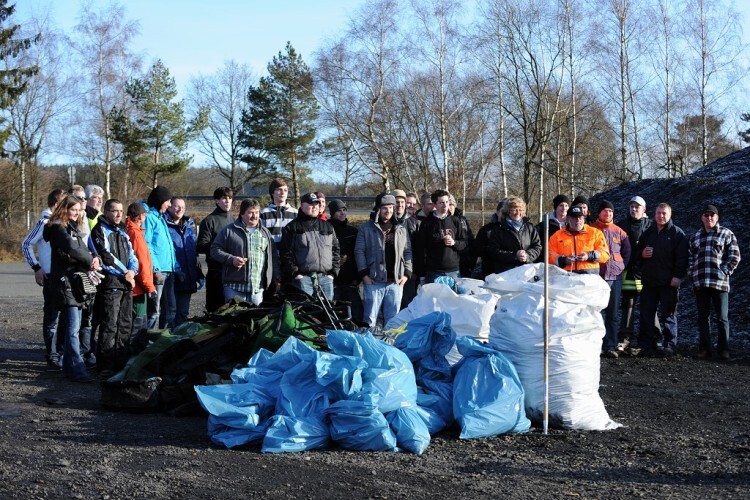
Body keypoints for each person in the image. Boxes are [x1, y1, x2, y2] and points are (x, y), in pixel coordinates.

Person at [43, 195, 101, 383]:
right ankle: (77, 370)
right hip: (64, 284)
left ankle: (70, 368)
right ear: (64, 209)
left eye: (78, 210)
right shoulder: (59, 229)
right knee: (72, 329)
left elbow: (81, 248)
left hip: (73, 284)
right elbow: (72, 248)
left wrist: (93, 257)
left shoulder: (71, 228)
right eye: (73, 209)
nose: (77, 213)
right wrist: (88, 259)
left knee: (72, 328)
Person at [632, 203, 688, 357]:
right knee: (646, 314)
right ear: (654, 214)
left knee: (669, 315)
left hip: (668, 283)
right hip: (649, 281)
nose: (661, 216)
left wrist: (677, 276)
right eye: (658, 213)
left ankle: (669, 345)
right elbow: (637, 253)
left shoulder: (677, 234)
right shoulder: (648, 232)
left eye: (664, 213)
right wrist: (642, 254)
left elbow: (682, 258)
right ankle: (645, 344)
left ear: (670, 215)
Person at [90, 199, 138, 376]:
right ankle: (106, 366)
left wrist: (132, 271)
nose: (118, 214)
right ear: (106, 212)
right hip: (111, 284)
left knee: (125, 324)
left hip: (127, 284)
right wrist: (126, 272)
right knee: (110, 325)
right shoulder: (99, 230)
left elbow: (133, 255)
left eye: (120, 211)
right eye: (114, 211)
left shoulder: (123, 231)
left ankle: (121, 363)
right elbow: (106, 257)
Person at [688, 204, 741, 360]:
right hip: (701, 283)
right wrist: (692, 273)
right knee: (702, 317)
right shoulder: (695, 236)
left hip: (720, 283)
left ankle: (724, 349)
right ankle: (705, 349)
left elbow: (735, 256)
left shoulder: (726, 234)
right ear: (702, 217)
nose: (709, 217)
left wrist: (724, 271)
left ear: (717, 217)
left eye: (712, 215)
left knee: (722, 317)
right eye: (706, 215)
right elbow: (690, 258)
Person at [21, 188, 65, 370]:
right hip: (50, 276)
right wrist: (36, 267)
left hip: (64, 276)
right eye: (64, 203)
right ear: (56, 204)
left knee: (67, 316)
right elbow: (26, 244)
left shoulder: (62, 223)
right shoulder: (44, 222)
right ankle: (52, 354)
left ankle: (62, 352)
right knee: (52, 317)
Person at [355, 194, 412, 327]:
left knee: (393, 321)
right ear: (378, 209)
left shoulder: (401, 229)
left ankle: (389, 346)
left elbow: (407, 251)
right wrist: (364, 275)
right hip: (374, 280)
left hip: (395, 283)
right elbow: (359, 251)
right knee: (370, 320)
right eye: (385, 208)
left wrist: (406, 273)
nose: (389, 211)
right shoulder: (366, 228)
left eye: (391, 208)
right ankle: (369, 346)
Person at [211, 198, 276, 306]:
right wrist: (231, 259)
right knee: (234, 320)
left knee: (254, 321)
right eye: (250, 212)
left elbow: (273, 257)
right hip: (234, 288)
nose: (254, 216)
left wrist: (274, 278)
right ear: (241, 214)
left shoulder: (265, 233)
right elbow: (214, 250)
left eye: (256, 212)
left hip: (257, 289)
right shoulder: (229, 231)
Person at [279, 192, 340, 300]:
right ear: (302, 206)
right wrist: (296, 274)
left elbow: (335, 249)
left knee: (327, 314)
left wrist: (333, 273)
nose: (315, 206)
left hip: (326, 279)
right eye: (311, 204)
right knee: (305, 313)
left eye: (316, 204)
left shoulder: (327, 226)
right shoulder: (292, 227)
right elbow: (286, 253)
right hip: (303, 280)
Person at [616, 195, 656, 352]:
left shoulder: (651, 226)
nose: (634, 209)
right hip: (628, 272)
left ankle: (653, 338)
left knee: (650, 306)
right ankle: (625, 338)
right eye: (632, 206)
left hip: (647, 273)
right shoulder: (622, 225)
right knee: (629, 305)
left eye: (637, 207)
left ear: (644, 209)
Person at [592, 200, 631, 358]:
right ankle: (596, 345)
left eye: (610, 211)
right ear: (599, 213)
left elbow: (627, 252)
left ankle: (611, 345)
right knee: (596, 312)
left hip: (615, 277)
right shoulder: (592, 230)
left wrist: (621, 267)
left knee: (613, 313)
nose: (607, 214)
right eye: (605, 211)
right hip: (597, 277)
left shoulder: (619, 232)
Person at [413, 189, 467, 285]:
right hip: (433, 271)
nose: (445, 205)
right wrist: (422, 275)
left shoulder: (455, 221)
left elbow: (464, 243)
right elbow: (420, 251)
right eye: (441, 203)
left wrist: (454, 242)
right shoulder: (426, 224)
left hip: (454, 271)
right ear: (434, 205)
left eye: (447, 202)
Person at [141, 186, 176, 329]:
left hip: (168, 270)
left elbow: (166, 245)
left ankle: (162, 340)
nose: (169, 205)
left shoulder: (160, 217)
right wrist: (155, 268)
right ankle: (144, 341)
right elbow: (147, 244)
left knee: (170, 309)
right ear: (160, 200)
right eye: (167, 201)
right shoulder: (149, 217)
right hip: (158, 271)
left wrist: (176, 266)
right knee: (154, 311)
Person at [165, 197, 203, 326]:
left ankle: (179, 341)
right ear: (169, 207)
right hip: (171, 278)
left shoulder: (189, 227)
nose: (180, 209)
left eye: (183, 207)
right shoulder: (164, 225)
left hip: (188, 277)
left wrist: (198, 273)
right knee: (170, 313)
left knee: (183, 313)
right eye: (177, 206)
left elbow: (194, 253)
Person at [482, 196, 542, 275]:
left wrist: (527, 255)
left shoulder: (529, 227)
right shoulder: (498, 229)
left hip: (526, 272)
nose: (517, 212)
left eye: (520, 210)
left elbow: (537, 246)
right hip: (505, 273)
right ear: (508, 211)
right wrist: (515, 255)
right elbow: (494, 251)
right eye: (514, 209)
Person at [197, 187, 234, 313]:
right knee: (215, 311)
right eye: (224, 198)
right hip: (215, 274)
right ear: (217, 201)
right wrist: (220, 245)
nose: (227, 201)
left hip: (232, 273)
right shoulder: (209, 221)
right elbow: (201, 245)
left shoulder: (233, 220)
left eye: (230, 198)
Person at [328, 199, 363, 322]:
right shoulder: (326, 229)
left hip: (351, 281)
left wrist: (358, 278)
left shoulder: (353, 231)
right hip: (333, 281)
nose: (342, 213)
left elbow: (359, 255)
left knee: (356, 315)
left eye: (344, 210)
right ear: (332, 213)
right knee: (335, 315)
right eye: (338, 211)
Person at [548, 206, 610, 274]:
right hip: (565, 277)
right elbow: (549, 256)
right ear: (568, 219)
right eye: (574, 218)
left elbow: (605, 254)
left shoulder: (595, 233)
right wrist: (563, 260)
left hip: (590, 278)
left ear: (584, 218)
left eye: (580, 217)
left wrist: (589, 256)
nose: (578, 220)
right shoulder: (557, 236)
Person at [125, 202, 155, 336]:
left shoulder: (130, 231)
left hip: (136, 286)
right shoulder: (135, 234)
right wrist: (149, 287)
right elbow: (141, 263)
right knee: (138, 325)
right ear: (140, 216)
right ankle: (134, 354)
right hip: (138, 288)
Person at [261, 178, 297, 247]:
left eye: (285, 190)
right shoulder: (264, 213)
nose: (283, 193)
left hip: (290, 256)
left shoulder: (295, 213)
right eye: (279, 190)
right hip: (271, 256)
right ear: (272, 192)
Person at [448, 194, 476, 278]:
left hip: (465, 262)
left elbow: (470, 239)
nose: (449, 207)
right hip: (450, 263)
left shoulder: (462, 220)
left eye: (451, 204)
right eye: (447, 204)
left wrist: (472, 259)